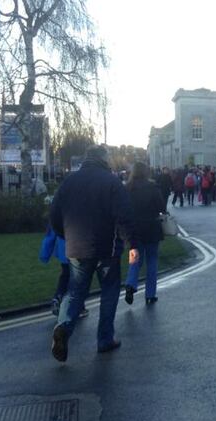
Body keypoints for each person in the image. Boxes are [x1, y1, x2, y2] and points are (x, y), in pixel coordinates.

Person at [49, 145, 138, 362]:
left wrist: (66, 235)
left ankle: (63, 327)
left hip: (76, 247)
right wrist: (132, 244)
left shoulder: (68, 182)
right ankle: (105, 339)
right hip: (106, 249)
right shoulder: (112, 182)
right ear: (103, 159)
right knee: (109, 291)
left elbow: (54, 215)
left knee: (75, 291)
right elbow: (124, 216)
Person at [123, 162, 166, 306]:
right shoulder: (152, 187)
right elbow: (161, 206)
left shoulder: (127, 188)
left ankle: (130, 283)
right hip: (151, 227)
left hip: (134, 230)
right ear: (146, 172)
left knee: (134, 258)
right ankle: (150, 294)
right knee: (152, 261)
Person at [39, 226, 88, 319]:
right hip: (79, 250)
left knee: (65, 276)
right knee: (78, 280)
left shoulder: (58, 211)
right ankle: (78, 307)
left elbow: (50, 235)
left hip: (64, 251)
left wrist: (44, 255)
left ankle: (58, 296)